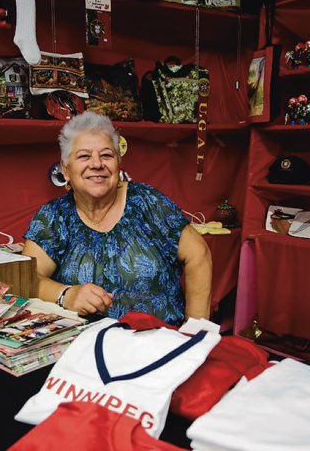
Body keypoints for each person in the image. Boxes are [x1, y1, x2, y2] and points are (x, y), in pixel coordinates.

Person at [22, 111, 212, 324]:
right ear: (66, 170)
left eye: (106, 155)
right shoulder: (55, 217)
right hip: (87, 349)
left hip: (160, 343)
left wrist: (195, 333)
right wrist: (66, 294)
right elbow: (28, 278)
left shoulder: (146, 202)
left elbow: (198, 254)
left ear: (118, 163)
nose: (97, 164)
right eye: (84, 156)